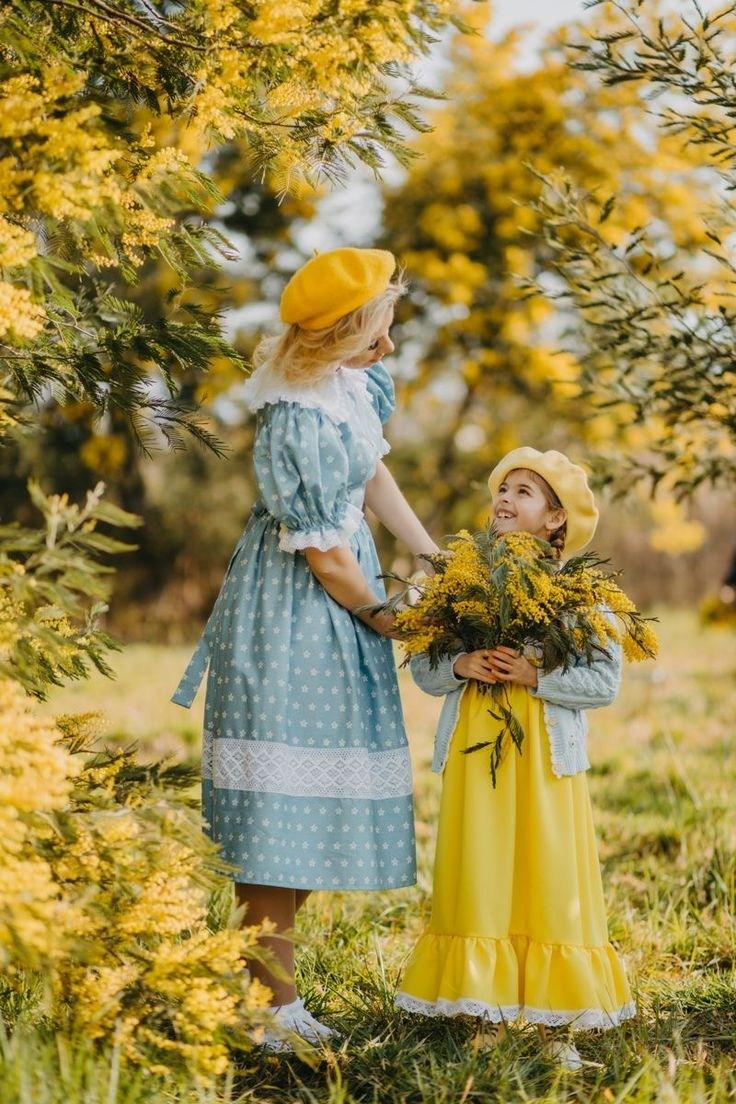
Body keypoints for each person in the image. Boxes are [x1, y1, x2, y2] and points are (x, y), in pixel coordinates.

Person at [172, 247, 438, 1048]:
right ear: (329, 343)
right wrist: (387, 615)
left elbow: (371, 472)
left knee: (309, 806)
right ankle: (268, 1007)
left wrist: (426, 552)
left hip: (340, 598)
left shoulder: (349, 387)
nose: (386, 350)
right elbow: (323, 554)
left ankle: (263, 985)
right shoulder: (295, 414)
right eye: (374, 338)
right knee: (277, 811)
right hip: (300, 606)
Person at [395, 447, 634, 1070]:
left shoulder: (579, 592)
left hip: (544, 758)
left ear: (556, 519)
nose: (506, 498)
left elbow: (603, 683)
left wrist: (536, 673)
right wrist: (460, 663)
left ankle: (555, 1013)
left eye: (525, 491)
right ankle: (487, 1007)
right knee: (482, 862)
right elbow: (423, 665)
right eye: (504, 488)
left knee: (545, 868)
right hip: (479, 750)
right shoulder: (460, 580)